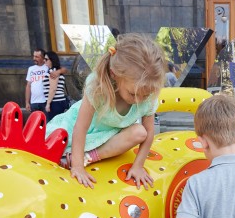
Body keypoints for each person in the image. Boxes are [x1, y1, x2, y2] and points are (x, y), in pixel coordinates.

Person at [46, 33, 166, 189]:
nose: (139, 99)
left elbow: (149, 133)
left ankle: (89, 157)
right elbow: (80, 128)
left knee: (140, 132)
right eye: (133, 94)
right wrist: (77, 167)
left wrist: (138, 166)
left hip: (108, 138)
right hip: (80, 130)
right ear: (114, 74)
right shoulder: (98, 88)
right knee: (52, 147)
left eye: (146, 95)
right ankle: (72, 157)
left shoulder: (147, 96)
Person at [42, 49, 69, 121]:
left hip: (55, 102)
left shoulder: (53, 71)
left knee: (54, 124)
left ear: (51, 60)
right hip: (59, 102)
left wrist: (48, 103)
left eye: (46, 59)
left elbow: (53, 88)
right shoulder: (56, 70)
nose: (44, 61)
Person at [24, 48, 50, 116]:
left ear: (43, 58)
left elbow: (63, 69)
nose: (34, 58)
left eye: (37, 57)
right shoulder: (31, 69)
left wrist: (58, 71)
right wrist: (27, 102)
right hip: (34, 102)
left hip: (45, 101)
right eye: (34, 56)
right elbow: (28, 86)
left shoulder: (48, 67)